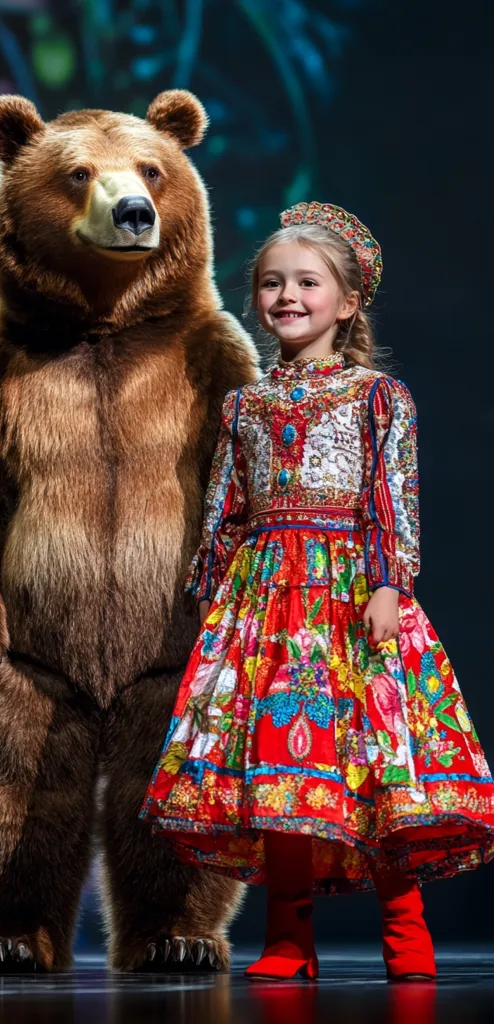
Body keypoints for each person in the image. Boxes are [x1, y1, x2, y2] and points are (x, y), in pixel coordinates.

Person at [139, 201, 494, 981]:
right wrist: (210, 594)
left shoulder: (376, 397)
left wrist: (390, 584)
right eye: (272, 283)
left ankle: (406, 927)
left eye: (307, 281)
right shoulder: (245, 405)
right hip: (264, 605)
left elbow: (392, 497)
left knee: (371, 758)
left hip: (350, 595)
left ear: (349, 299)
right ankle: (289, 939)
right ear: (255, 299)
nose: (288, 296)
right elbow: (224, 508)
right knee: (277, 766)